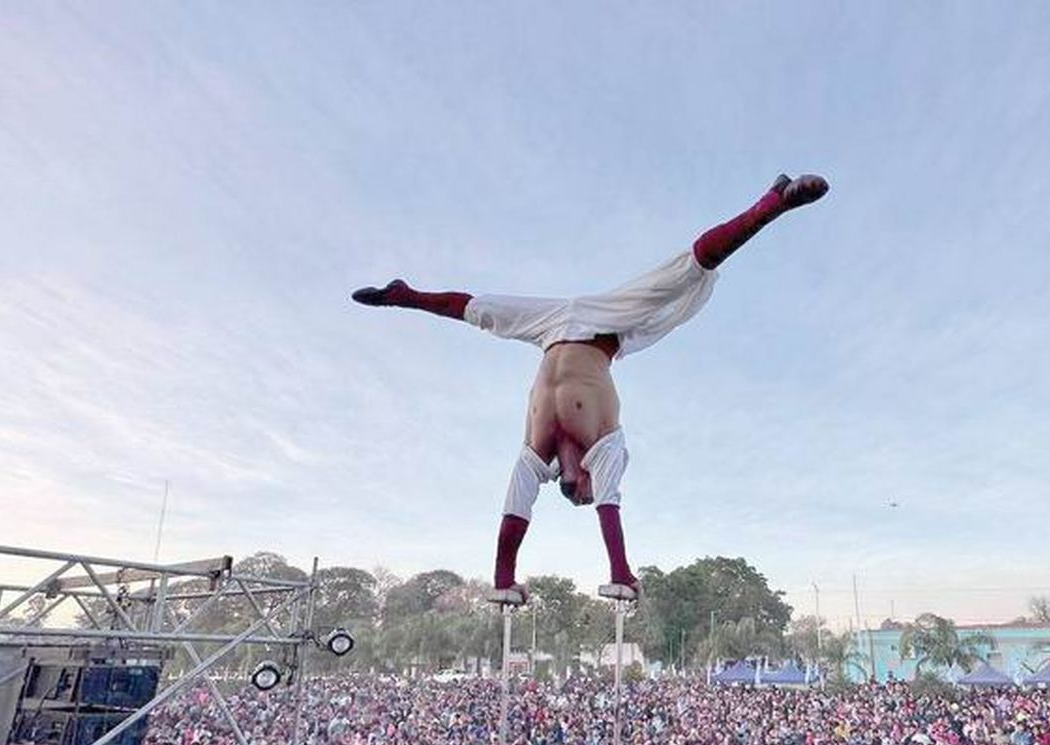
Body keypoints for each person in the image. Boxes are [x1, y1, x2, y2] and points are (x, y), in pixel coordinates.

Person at [351, 174, 830, 600]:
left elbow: (517, 506)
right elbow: (611, 503)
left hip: (552, 328)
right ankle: (773, 204)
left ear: (572, 481)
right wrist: (621, 573)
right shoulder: (607, 447)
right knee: (682, 274)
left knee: (481, 311)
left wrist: (503, 578)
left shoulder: (535, 456)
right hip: (607, 329)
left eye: (583, 493)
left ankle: (405, 295)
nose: (594, 489)